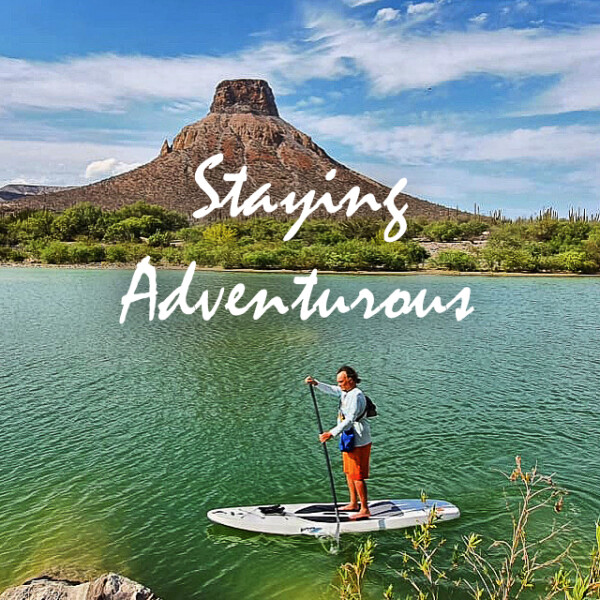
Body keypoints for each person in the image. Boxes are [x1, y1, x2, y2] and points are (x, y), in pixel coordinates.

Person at [305, 366, 372, 520]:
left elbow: (350, 420)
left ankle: (365, 509)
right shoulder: (345, 391)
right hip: (348, 437)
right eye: (339, 382)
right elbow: (332, 389)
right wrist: (316, 383)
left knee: (357, 475)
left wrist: (331, 433)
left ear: (351, 379)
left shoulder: (356, 395)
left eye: (342, 381)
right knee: (349, 472)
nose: (340, 384)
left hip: (359, 440)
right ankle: (353, 503)